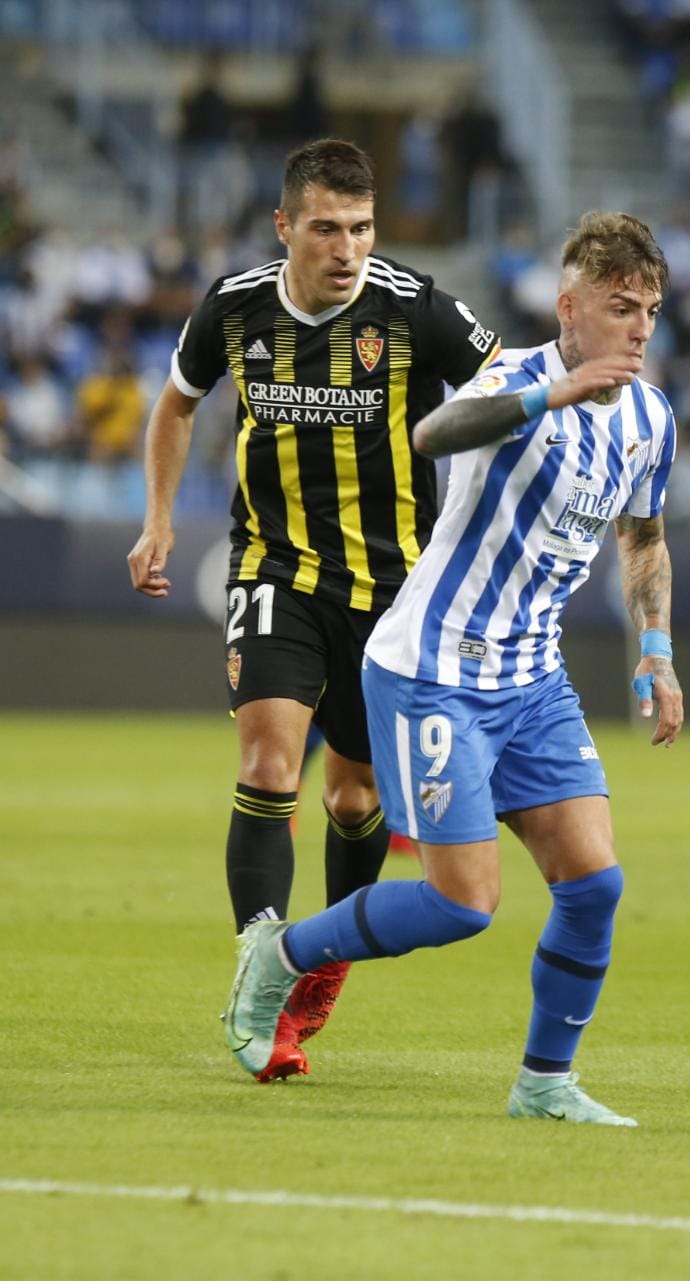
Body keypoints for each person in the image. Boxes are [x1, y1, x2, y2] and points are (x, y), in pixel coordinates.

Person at [220, 211, 682, 1126]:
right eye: (620, 307)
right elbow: (434, 433)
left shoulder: (649, 418)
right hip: (431, 670)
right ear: (569, 309)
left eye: (651, 311)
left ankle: (544, 1083)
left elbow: (644, 535)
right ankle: (277, 956)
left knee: (595, 883)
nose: (638, 328)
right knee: (465, 902)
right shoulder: (517, 379)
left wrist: (656, 650)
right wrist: (556, 393)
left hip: (532, 681)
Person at [127, 139, 500, 1080]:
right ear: (286, 226)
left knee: (355, 794)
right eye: (327, 228)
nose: (347, 248)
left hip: (395, 591)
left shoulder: (418, 309)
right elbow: (175, 406)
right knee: (267, 759)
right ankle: (261, 958)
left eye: (363, 228)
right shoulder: (234, 305)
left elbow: (510, 397)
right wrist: (160, 519)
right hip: (275, 569)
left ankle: (319, 961)